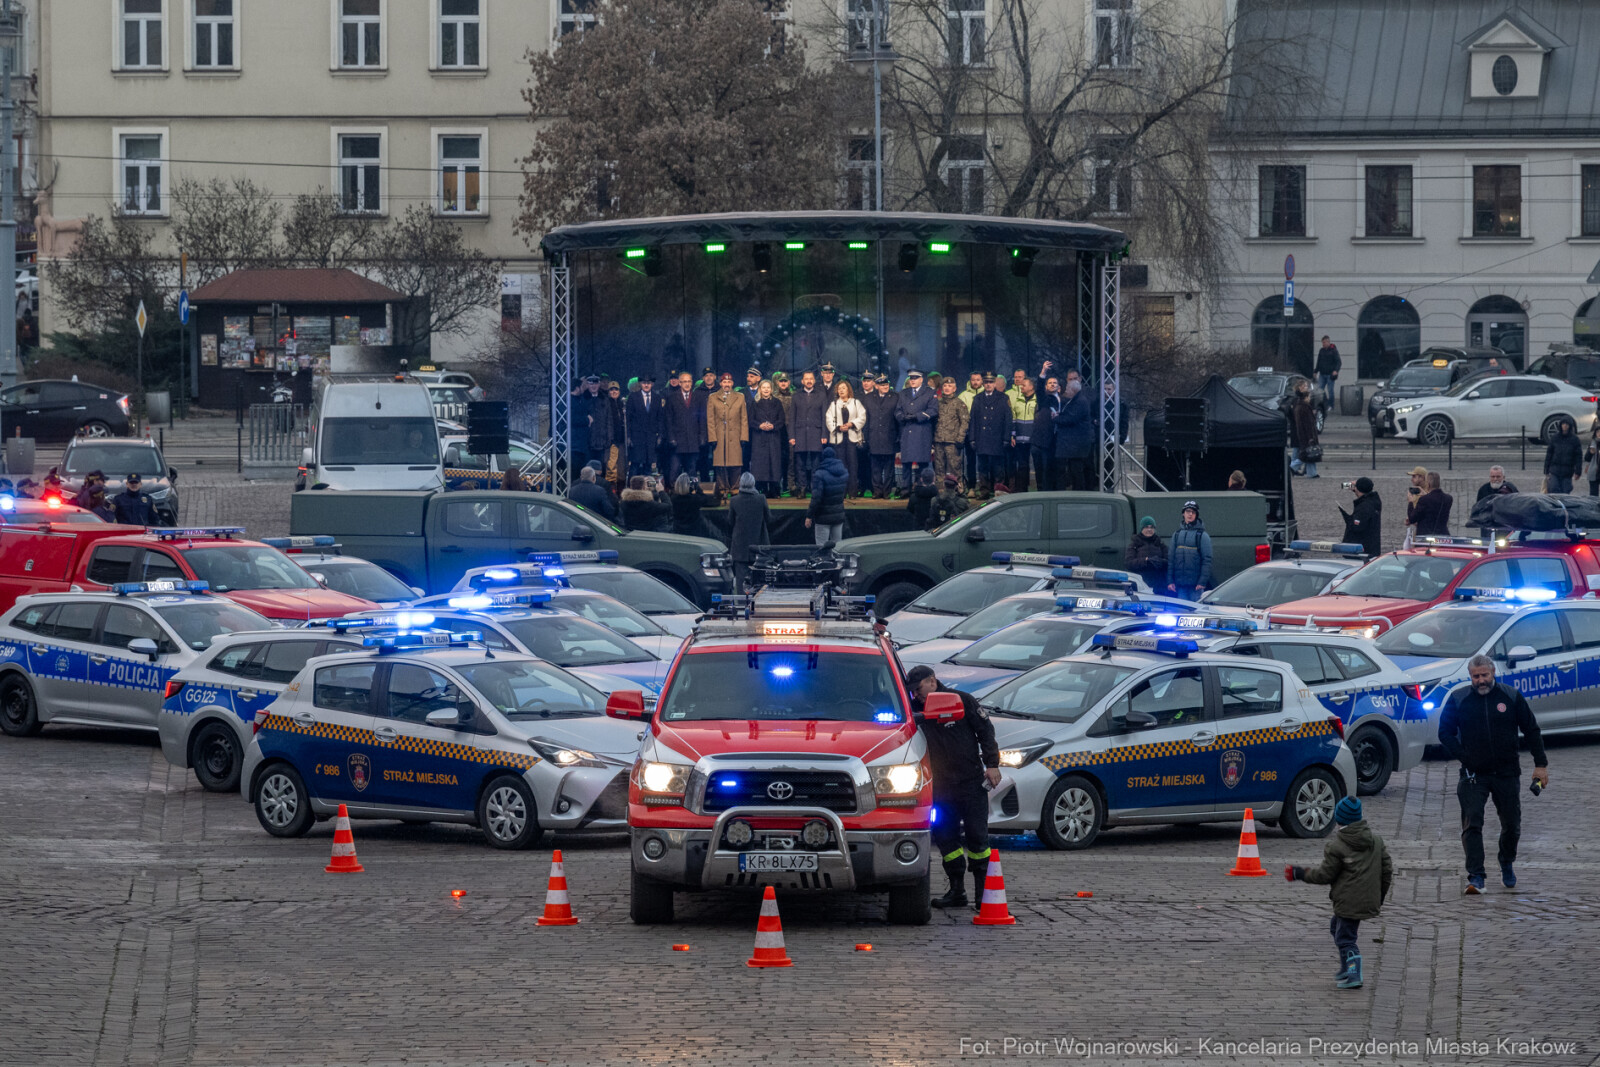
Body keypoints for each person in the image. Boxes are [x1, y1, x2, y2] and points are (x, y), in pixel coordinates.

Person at [1438, 654, 1548, 894]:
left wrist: (1541, 764)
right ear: (1470, 677)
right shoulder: (1459, 699)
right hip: (1473, 774)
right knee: (1472, 823)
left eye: (1484, 675)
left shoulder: (1510, 696)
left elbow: (1531, 729)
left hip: (1506, 772)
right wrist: (1465, 756)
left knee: (1512, 825)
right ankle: (1476, 876)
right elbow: (1444, 732)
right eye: (1475, 677)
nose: (1480, 681)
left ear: (1493, 673)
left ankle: (1506, 862)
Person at [906, 664, 1000, 910]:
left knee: (978, 839)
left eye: (919, 689)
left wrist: (992, 765)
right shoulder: (915, 710)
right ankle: (957, 890)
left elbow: (986, 732)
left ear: (932, 682)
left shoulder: (963, 701)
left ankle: (983, 895)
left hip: (970, 783)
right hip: (940, 787)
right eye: (912, 692)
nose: (916, 695)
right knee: (946, 839)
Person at [1285, 796, 1392, 990]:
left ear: (1338, 819)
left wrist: (1300, 873)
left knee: (1345, 938)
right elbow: (1387, 871)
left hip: (1348, 902)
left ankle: (1353, 973)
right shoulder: (1376, 841)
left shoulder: (1337, 846)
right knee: (1337, 928)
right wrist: (1380, 895)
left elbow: (1324, 875)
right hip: (1367, 899)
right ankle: (1346, 968)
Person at [967, 374, 1012, 498]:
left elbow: (1008, 419)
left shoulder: (1003, 398)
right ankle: (984, 491)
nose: (988, 384)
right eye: (986, 382)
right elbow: (973, 420)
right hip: (982, 437)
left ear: (995, 383)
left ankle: (999, 491)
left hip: (997, 437)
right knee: (982, 467)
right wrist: (972, 438)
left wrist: (1006, 437)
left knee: (998, 468)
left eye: (991, 382)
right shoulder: (978, 398)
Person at [894, 370, 939, 491]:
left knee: (922, 463)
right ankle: (905, 488)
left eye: (915, 378)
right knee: (906, 463)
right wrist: (901, 417)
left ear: (921, 379)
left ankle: (921, 486)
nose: (912, 380)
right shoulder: (903, 393)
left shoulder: (929, 393)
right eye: (911, 378)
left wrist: (918, 416)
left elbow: (933, 410)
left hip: (922, 431)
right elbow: (897, 410)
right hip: (907, 430)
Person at [706, 372, 749, 493]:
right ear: (720, 383)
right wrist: (712, 438)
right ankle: (722, 487)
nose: (727, 384)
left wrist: (744, 437)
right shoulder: (713, 397)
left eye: (729, 382)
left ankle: (735, 488)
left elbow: (744, 419)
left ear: (732, 383)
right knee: (720, 464)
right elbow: (710, 419)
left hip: (735, 435)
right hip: (720, 435)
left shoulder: (740, 397)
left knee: (736, 463)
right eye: (724, 382)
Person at [728, 472, 771, 590]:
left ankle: (742, 605)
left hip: (740, 547)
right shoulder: (761, 499)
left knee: (741, 582)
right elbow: (769, 519)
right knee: (760, 580)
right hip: (759, 546)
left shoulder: (734, 500)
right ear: (753, 483)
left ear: (740, 484)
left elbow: (730, 522)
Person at [1053, 372, 1095, 491]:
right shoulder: (1075, 400)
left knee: (1077, 470)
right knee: (1074, 469)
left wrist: (1056, 418)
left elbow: (1071, 418)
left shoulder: (1080, 401)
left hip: (1076, 445)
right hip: (1073, 444)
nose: (1065, 391)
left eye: (1067, 389)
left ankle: (1079, 492)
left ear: (1073, 390)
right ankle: (1076, 490)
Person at [789, 370, 828, 496]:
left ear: (814, 381)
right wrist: (792, 436)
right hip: (800, 434)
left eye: (811, 378)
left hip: (816, 434)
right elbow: (792, 418)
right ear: (802, 381)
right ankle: (802, 488)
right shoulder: (796, 396)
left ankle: (815, 488)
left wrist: (824, 434)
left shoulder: (821, 395)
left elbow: (824, 417)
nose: (809, 381)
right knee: (800, 464)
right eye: (806, 379)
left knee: (816, 465)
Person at [826, 380, 867, 499]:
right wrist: (838, 427)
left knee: (853, 465)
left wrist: (851, 424)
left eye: (843, 388)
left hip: (852, 439)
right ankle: (841, 492)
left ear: (848, 390)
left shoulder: (855, 402)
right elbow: (829, 419)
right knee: (840, 466)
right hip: (839, 439)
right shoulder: (834, 404)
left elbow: (862, 417)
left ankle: (853, 492)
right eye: (839, 389)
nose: (841, 390)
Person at [747, 379, 787, 497]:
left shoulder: (777, 402)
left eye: (768, 387)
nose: (766, 390)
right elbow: (750, 420)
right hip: (759, 438)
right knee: (761, 464)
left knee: (774, 463)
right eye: (763, 387)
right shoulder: (754, 403)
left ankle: (775, 489)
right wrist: (759, 426)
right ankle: (761, 488)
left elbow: (781, 420)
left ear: (771, 389)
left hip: (774, 437)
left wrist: (773, 426)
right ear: (760, 389)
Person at [862, 374, 900, 499]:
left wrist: (898, 438)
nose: (885, 387)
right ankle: (877, 490)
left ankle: (887, 491)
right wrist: (865, 437)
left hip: (890, 437)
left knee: (889, 468)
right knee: (875, 468)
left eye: (887, 384)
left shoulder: (895, 397)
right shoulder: (868, 398)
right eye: (882, 385)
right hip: (874, 437)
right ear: (876, 386)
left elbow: (897, 419)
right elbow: (866, 420)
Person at [1166, 500, 1212, 600]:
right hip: (1180, 585)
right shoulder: (1177, 534)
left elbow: (1207, 560)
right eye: (1188, 511)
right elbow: (1171, 559)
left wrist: (1202, 581)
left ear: (1196, 515)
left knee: (1196, 612)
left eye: (1193, 512)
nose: (1190, 514)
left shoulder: (1202, 535)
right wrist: (1170, 581)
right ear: (1183, 513)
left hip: (1196, 586)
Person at [805, 445, 849, 545]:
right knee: (837, 547)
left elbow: (816, 499)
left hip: (822, 517)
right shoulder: (843, 473)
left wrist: (809, 516)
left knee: (821, 548)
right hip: (838, 515)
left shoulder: (819, 474)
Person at [624, 374, 666, 477]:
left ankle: (647, 490)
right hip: (636, 437)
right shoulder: (633, 397)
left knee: (648, 466)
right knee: (635, 465)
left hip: (651, 437)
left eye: (648, 383)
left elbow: (660, 418)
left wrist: (660, 435)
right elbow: (628, 419)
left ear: (652, 384)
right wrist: (628, 436)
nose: (646, 385)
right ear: (640, 384)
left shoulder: (657, 398)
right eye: (644, 383)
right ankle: (632, 490)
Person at [665, 371, 703, 482]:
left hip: (693, 440)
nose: (687, 384)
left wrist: (702, 436)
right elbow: (668, 420)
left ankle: (691, 495)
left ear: (692, 383)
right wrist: (671, 437)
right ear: (680, 383)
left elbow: (702, 419)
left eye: (689, 381)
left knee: (691, 470)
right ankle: (673, 495)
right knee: (675, 469)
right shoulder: (672, 398)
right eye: (684, 381)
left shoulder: (698, 397)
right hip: (677, 441)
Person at [933, 378, 969, 490]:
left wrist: (960, 438)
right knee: (939, 468)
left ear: (955, 389)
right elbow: (934, 421)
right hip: (939, 440)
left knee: (955, 468)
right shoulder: (938, 403)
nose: (947, 388)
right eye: (945, 386)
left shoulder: (959, 404)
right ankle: (940, 491)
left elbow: (965, 422)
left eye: (950, 386)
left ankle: (958, 491)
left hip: (952, 441)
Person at [1339, 477, 1382, 557]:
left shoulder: (1364, 506)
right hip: (1372, 548)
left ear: (1357, 489)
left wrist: (1347, 517)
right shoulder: (1375, 501)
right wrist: (1358, 487)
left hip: (1361, 551)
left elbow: (1357, 527)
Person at [1009, 376, 1038, 490]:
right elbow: (1014, 420)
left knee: (1037, 465)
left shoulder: (1037, 401)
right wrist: (1013, 435)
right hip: (1020, 440)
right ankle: (1021, 490)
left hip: (1034, 439)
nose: (1021, 387)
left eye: (1024, 385)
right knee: (1022, 465)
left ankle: (1039, 489)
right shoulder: (1018, 401)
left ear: (1031, 387)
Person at [1031, 377, 1061, 491]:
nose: (1052, 385)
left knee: (1054, 471)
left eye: (1055, 383)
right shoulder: (1044, 399)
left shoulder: (1063, 400)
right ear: (1046, 386)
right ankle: (1042, 492)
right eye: (1050, 383)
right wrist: (1042, 374)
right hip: (1043, 441)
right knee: (1042, 470)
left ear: (1059, 387)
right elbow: (1039, 391)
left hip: (1058, 441)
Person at [669, 472, 719, 537]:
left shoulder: (673, 498)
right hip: (694, 531)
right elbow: (705, 499)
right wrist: (697, 486)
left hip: (678, 530)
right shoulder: (694, 499)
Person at [1124, 516, 1167, 590]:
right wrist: (1145, 561)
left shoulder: (1160, 544)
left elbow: (1169, 561)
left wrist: (1160, 562)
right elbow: (1128, 563)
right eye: (1146, 527)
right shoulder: (1134, 544)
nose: (1149, 529)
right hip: (1140, 584)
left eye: (1152, 527)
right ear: (1142, 529)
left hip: (1158, 584)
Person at [1289, 379, 1321, 478]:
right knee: (1306, 454)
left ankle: (1312, 473)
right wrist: (1310, 437)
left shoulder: (1302, 406)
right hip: (1305, 435)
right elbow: (1306, 424)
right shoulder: (1302, 406)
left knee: (1310, 453)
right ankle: (1292, 468)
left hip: (1304, 434)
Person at [1544, 417, 1582, 494]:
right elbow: (1549, 454)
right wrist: (1546, 469)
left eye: (1567, 424)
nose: (1565, 426)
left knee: (1565, 491)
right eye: (1563, 424)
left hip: (1567, 471)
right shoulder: (1555, 438)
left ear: (1570, 426)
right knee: (1553, 488)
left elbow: (1578, 457)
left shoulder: (1575, 440)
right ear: (1560, 425)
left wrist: (1578, 471)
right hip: (1555, 469)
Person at [1410, 470, 1453, 537]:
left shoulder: (1424, 500)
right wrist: (1426, 495)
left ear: (1428, 484)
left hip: (1426, 537)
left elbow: (1412, 519)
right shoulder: (1448, 499)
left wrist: (1410, 502)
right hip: (1443, 535)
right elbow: (1434, 504)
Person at [695, 368, 719, 480]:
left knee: (717, 457)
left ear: (715, 377)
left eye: (711, 375)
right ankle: (704, 482)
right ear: (703, 378)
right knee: (702, 458)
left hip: (718, 429)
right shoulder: (697, 392)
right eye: (706, 375)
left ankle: (717, 482)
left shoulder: (720, 390)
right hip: (702, 429)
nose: (709, 377)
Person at [1315, 336, 1341, 415]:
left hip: (1330, 374)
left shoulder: (1333, 351)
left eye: (1324, 342)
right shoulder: (1321, 351)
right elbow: (1318, 362)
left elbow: (1338, 362)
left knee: (1330, 391)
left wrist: (1336, 371)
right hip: (1322, 374)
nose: (1323, 344)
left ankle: (1331, 405)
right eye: (1322, 343)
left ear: (1328, 342)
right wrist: (1316, 371)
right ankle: (1324, 403)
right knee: (1320, 390)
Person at [1403, 466, 1428, 545]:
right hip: (1418, 530)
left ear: (1422, 477)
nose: (1411, 479)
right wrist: (1410, 519)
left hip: (1426, 532)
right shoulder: (1416, 491)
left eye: (1414, 476)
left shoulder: (1428, 492)